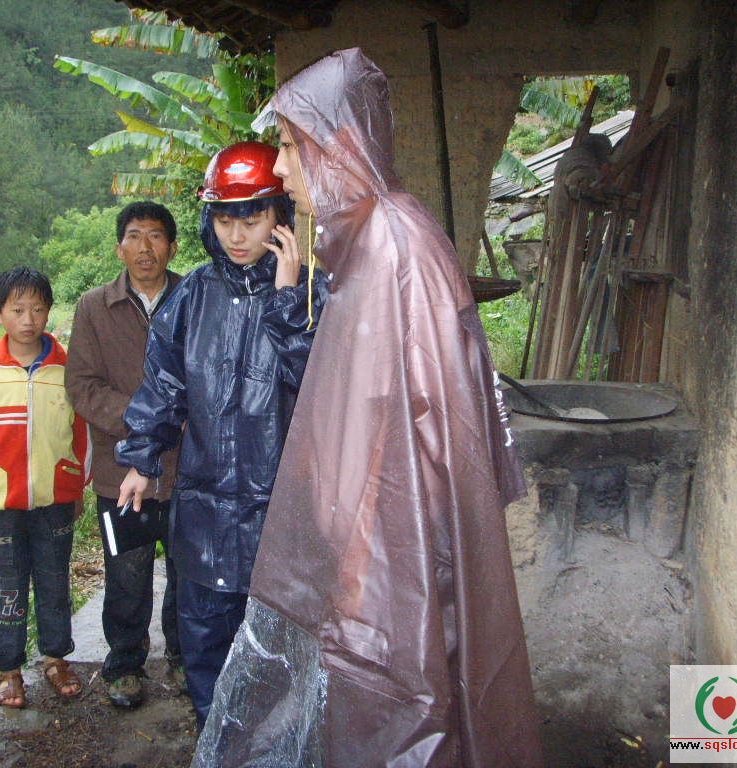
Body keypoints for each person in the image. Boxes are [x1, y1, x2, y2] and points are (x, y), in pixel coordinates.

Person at [193, 48, 544, 767]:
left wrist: (358, 551)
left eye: (290, 145)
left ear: (341, 143)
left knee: (407, 698)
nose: (281, 166)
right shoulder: (374, 241)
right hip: (374, 538)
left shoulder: (394, 249)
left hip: (391, 543)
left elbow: (421, 432)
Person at [115, 141, 327, 728]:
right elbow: (163, 383)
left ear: (279, 217)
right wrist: (141, 457)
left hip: (281, 507)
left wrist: (288, 299)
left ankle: (274, 747)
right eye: (225, 220)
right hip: (205, 503)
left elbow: (322, 387)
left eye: (252, 220)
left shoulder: (313, 294)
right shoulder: (192, 294)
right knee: (204, 634)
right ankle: (217, 739)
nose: (237, 235)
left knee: (279, 639)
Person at [65, 201, 184, 708]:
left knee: (188, 572)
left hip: (185, 470)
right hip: (120, 473)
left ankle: (184, 656)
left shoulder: (194, 297)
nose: (144, 247)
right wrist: (145, 417)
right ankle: (125, 665)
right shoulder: (95, 307)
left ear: (172, 247)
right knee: (126, 574)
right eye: (134, 236)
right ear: (119, 248)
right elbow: (82, 387)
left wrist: (174, 418)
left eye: (155, 236)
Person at [0, 266, 91, 709]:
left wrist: (77, 484)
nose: (28, 319)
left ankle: (56, 659)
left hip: (54, 497)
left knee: (53, 581)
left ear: (48, 311)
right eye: (17, 309)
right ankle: (8, 669)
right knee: (5, 587)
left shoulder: (67, 367)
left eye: (38, 309)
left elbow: (81, 431)